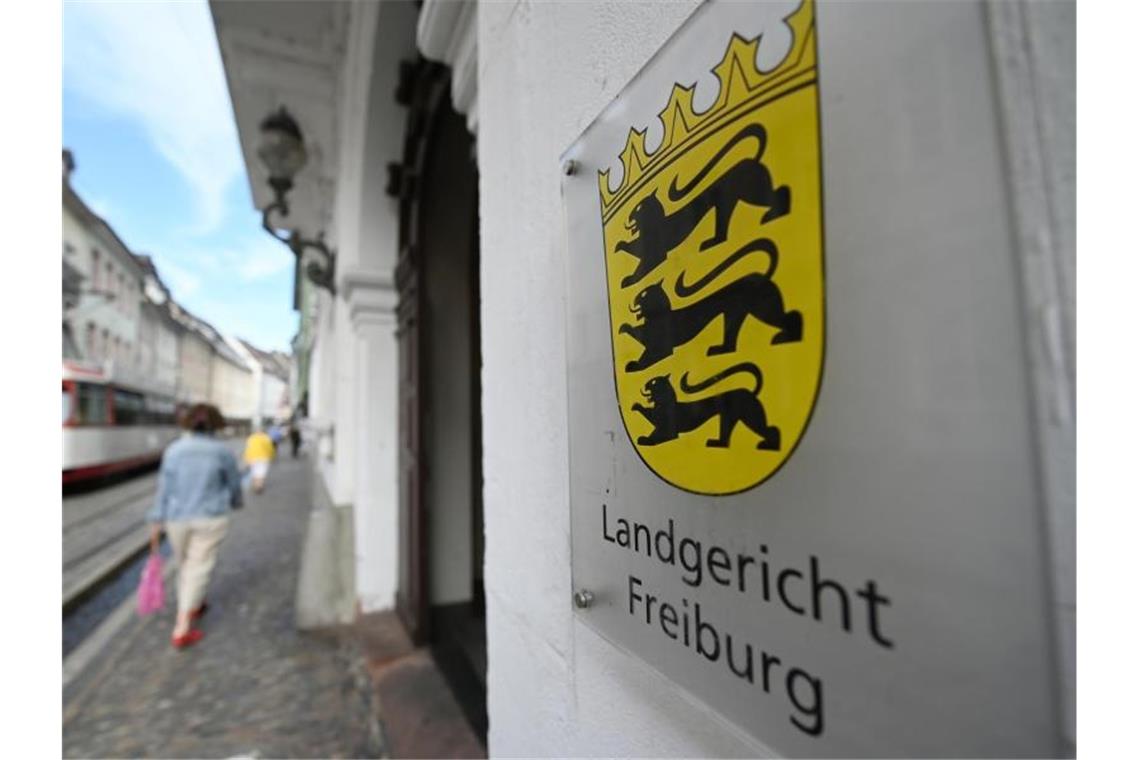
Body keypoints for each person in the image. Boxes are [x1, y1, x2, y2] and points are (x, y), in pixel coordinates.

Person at [147, 403, 242, 649]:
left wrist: (157, 518)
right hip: (210, 518)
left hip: (177, 518)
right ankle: (182, 627)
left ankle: (194, 604)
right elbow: (233, 483)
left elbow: (164, 488)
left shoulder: (174, 450)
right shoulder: (221, 452)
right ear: (216, 424)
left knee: (184, 565)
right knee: (199, 567)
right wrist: (236, 502)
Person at [243, 426, 276, 493]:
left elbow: (248, 449)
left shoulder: (251, 438)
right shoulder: (266, 438)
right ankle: (259, 486)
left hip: (253, 458)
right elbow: (270, 448)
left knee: (255, 472)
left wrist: (246, 458)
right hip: (264, 458)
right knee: (261, 472)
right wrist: (272, 456)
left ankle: (256, 485)